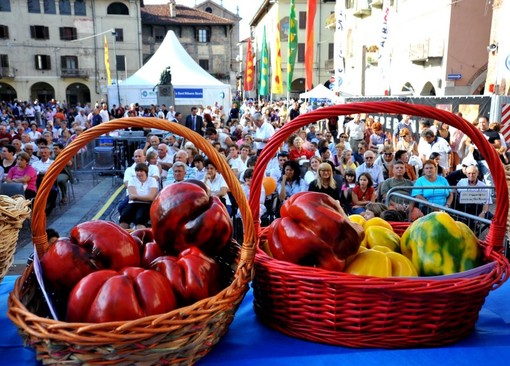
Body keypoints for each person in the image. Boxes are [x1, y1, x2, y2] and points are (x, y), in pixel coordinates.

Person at [119, 163, 159, 230]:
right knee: (124, 217)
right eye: (137, 171)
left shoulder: (152, 180)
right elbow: (131, 197)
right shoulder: (132, 180)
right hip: (133, 203)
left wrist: (136, 196)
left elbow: (151, 197)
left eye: (141, 171)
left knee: (140, 218)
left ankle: (140, 237)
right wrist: (146, 197)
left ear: (145, 172)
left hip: (146, 204)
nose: (139, 173)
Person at [455, 164, 492, 230]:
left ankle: (492, 237)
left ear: (477, 173)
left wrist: (483, 213)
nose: (471, 175)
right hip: (463, 210)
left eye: (473, 173)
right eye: (469, 173)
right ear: (466, 174)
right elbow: (455, 193)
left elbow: (486, 202)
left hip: (478, 209)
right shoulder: (461, 182)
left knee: (493, 220)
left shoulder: (483, 186)